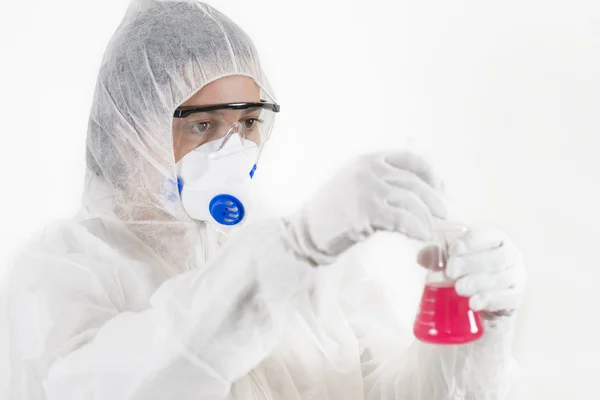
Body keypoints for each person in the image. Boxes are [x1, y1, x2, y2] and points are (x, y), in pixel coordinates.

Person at [6, 1, 526, 399]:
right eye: (203, 125)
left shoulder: (313, 261)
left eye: (250, 121)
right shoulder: (61, 272)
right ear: (128, 130)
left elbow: (385, 390)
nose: (233, 149)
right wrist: (296, 249)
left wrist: (479, 328)